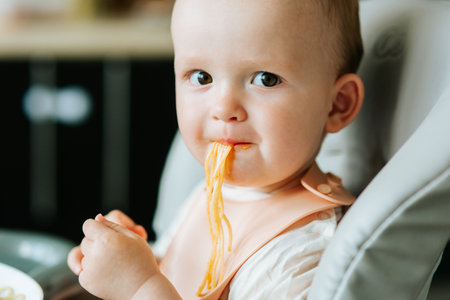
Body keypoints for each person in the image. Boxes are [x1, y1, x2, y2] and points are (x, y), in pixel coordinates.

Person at [67, 0, 364, 298]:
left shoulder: (301, 249)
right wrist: (132, 258)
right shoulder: (212, 193)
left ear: (337, 104)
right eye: (202, 77)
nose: (223, 108)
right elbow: (181, 279)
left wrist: (140, 286)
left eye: (266, 79)